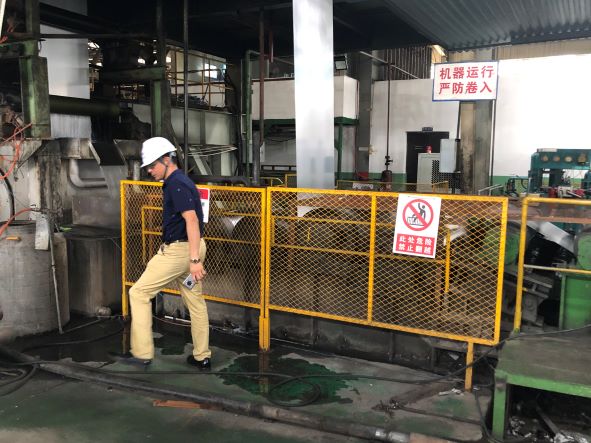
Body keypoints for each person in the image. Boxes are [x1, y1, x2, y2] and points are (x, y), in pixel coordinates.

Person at [111, 137, 211, 370]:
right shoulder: (181, 181)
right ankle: (202, 356)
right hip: (191, 248)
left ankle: (142, 355)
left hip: (180, 253)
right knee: (196, 303)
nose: (149, 170)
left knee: (138, 293)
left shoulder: (176, 184)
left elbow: (192, 220)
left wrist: (194, 260)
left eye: (152, 165)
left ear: (167, 160)